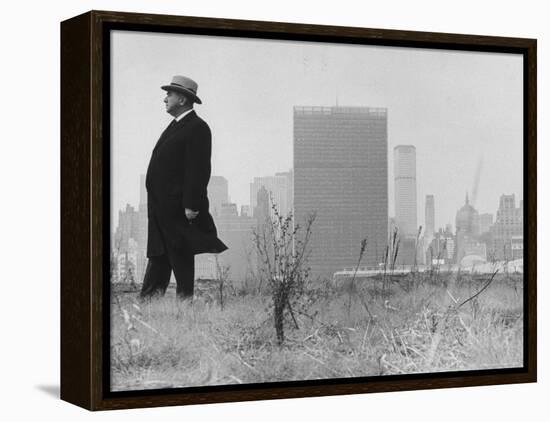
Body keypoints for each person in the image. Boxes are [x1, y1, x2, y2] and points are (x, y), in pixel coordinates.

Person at [140, 75, 227, 301]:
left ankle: (183, 303)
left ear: (182, 99)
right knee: (160, 255)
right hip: (161, 208)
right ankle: (149, 301)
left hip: (178, 208)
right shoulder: (175, 126)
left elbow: (198, 170)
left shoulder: (197, 127)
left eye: (169, 93)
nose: (165, 98)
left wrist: (191, 204)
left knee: (179, 255)